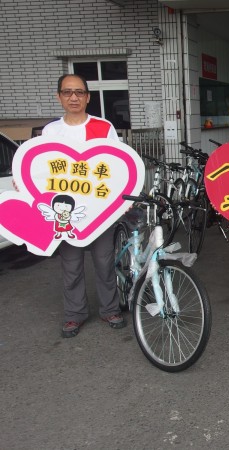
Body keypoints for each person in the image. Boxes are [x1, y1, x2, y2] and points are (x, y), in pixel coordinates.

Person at [42, 74, 126, 338]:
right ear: (59, 97)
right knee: (71, 264)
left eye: (79, 92)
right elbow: (41, 170)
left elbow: (118, 166)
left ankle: (110, 309)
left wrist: (121, 199)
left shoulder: (103, 128)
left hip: (99, 210)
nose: (74, 97)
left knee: (104, 261)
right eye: (67, 92)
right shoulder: (51, 131)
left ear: (88, 97)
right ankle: (74, 314)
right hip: (64, 211)